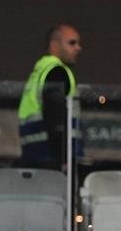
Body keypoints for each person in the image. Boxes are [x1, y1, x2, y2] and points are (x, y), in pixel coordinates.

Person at [16, 24, 82, 170]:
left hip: (33, 154)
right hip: (52, 158)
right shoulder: (57, 72)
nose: (78, 48)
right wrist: (64, 157)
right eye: (72, 43)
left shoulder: (39, 71)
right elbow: (55, 116)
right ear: (54, 45)